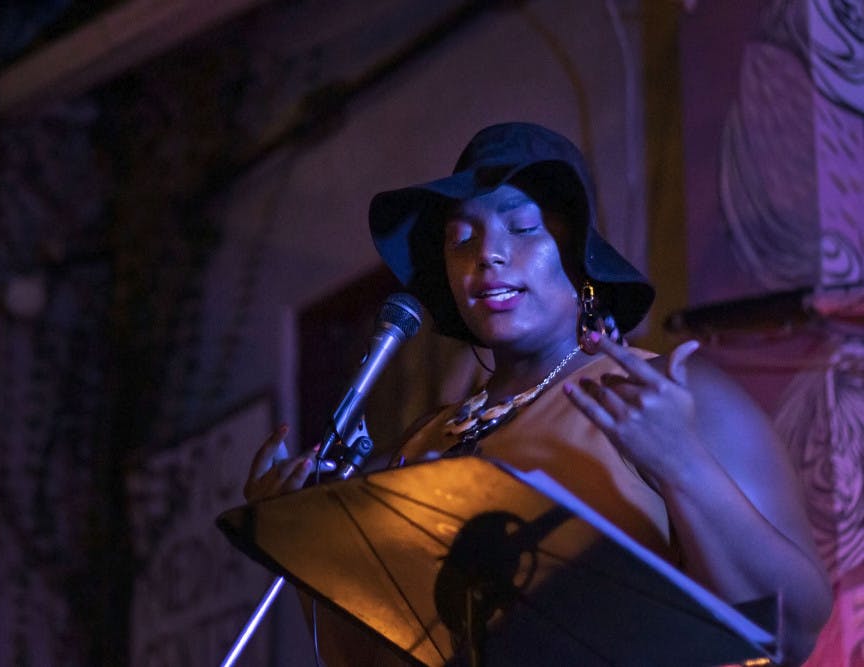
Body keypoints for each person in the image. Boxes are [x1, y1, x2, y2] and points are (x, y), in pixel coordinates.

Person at [243, 122, 832, 665]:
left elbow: (792, 625)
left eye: (522, 228)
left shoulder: (664, 393)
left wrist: (681, 462)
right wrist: (304, 548)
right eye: (460, 240)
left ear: (580, 256)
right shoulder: (424, 441)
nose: (487, 255)